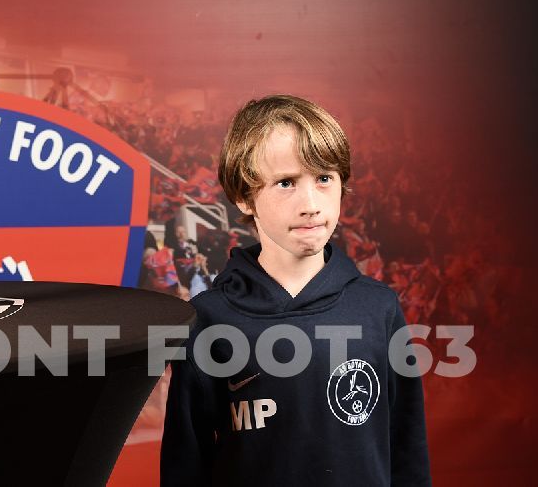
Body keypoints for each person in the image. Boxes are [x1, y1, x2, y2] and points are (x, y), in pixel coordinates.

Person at [161, 95, 430, 486]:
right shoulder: (207, 319)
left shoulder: (379, 308)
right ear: (244, 197)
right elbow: (185, 464)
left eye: (324, 179)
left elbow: (408, 451)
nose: (311, 204)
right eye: (286, 183)